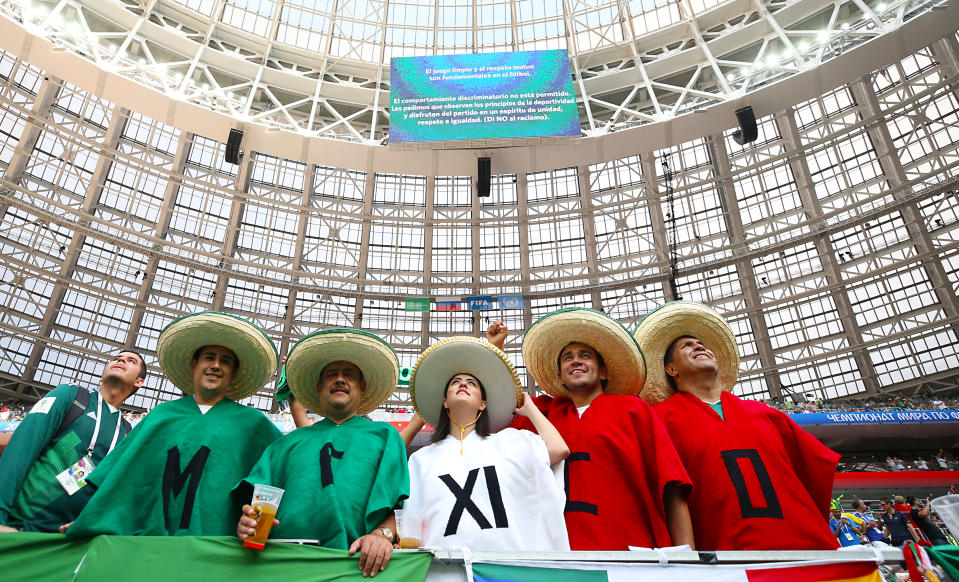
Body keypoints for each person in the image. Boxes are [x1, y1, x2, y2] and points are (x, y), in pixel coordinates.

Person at [633, 301, 840, 551]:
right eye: (686, 345)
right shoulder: (658, 419)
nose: (699, 346)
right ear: (671, 369)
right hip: (724, 557)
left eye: (701, 344)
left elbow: (812, 473)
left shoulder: (766, 413)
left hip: (807, 547)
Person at [489, 309, 693, 551]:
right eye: (567, 358)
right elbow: (507, 406)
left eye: (585, 355)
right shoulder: (545, 413)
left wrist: (688, 559)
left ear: (604, 371)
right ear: (560, 377)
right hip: (558, 551)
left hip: (632, 549)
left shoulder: (634, 409)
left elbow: (671, 484)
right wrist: (497, 350)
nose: (576, 360)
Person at [66, 311, 282, 536]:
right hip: (149, 547)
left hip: (219, 551)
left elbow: (279, 474)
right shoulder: (161, 415)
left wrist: (253, 524)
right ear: (193, 366)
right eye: (209, 357)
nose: (216, 365)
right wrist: (89, 519)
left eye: (225, 361)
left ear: (233, 373)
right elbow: (124, 479)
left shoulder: (253, 423)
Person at [235, 329, 409, 578]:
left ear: (362, 386)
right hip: (283, 564)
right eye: (331, 375)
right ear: (318, 387)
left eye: (348, 374)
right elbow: (254, 509)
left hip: (355, 564)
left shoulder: (385, 437)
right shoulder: (285, 444)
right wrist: (246, 525)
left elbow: (394, 505)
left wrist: (382, 536)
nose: (340, 379)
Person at [403, 336, 570, 551]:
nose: (463, 384)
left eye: (471, 383)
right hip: (444, 569)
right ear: (444, 401)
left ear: (483, 403)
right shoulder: (420, 459)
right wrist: (417, 420)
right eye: (455, 382)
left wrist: (530, 408)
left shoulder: (511, 440)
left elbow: (559, 449)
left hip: (505, 567)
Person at [0, 351, 145, 533]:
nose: (121, 360)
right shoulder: (72, 396)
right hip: (18, 525)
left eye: (131, 361)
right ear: (102, 376)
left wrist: (89, 522)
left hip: (66, 540)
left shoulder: (126, 433)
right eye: (116, 358)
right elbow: (21, 449)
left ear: (139, 382)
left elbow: (115, 491)